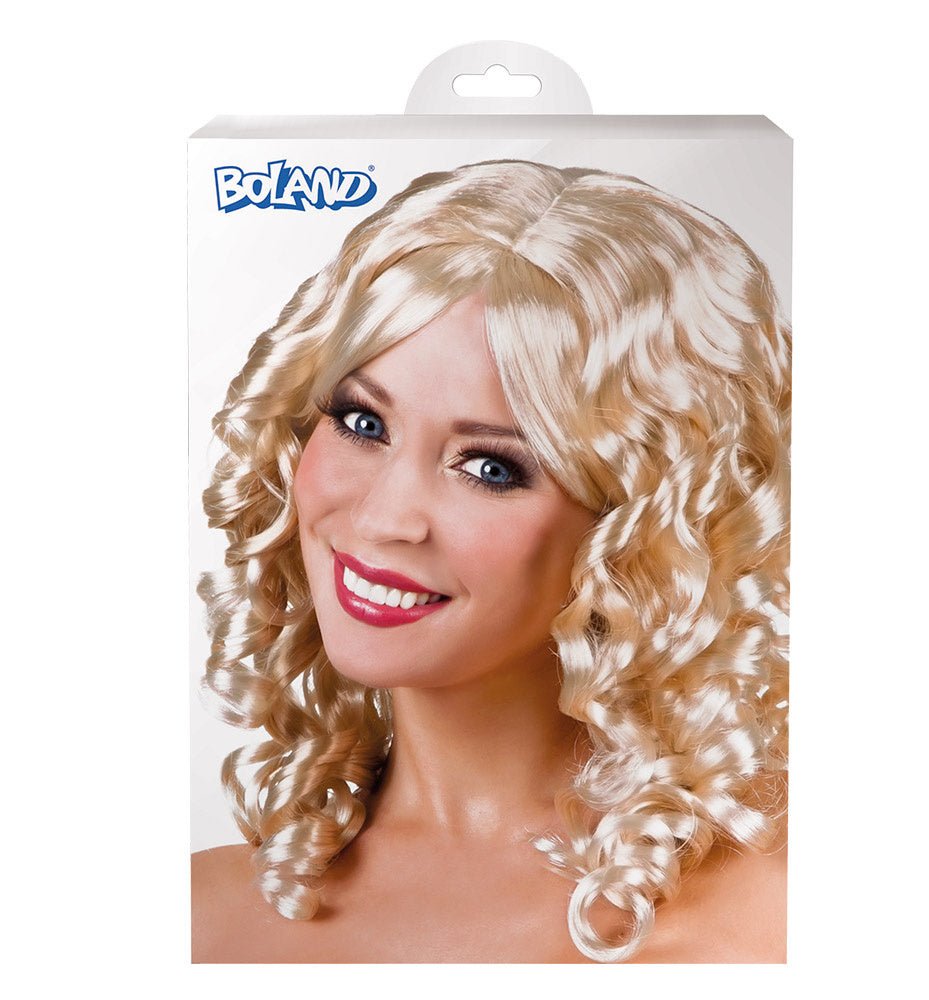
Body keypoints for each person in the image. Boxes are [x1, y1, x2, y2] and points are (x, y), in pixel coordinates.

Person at [191, 160, 790, 963]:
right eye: (363, 423)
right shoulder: (202, 921)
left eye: (490, 467)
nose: (383, 518)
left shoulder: (783, 914)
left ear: (643, 526)